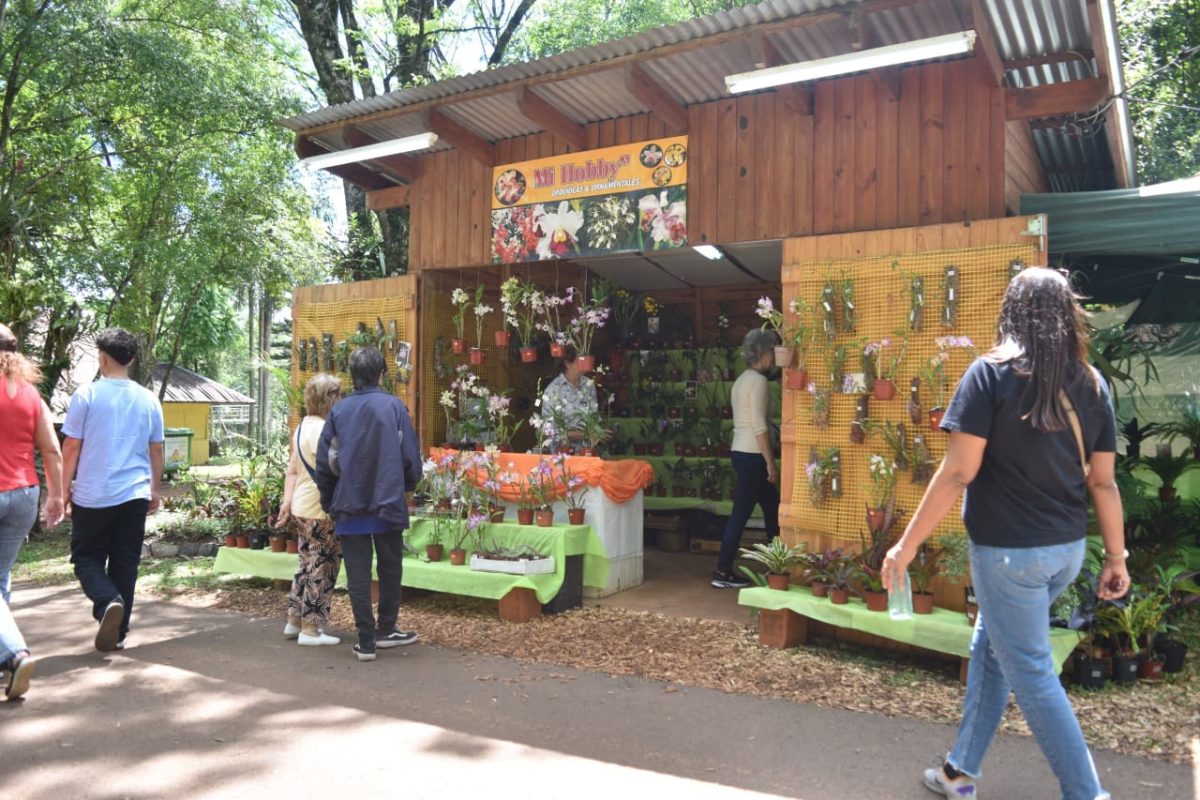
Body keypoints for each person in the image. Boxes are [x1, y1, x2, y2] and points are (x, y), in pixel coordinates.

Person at [881, 268, 1128, 800]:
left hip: (1009, 556)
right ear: (1068, 316)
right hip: (1066, 551)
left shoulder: (989, 375)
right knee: (991, 648)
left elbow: (957, 473)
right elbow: (1103, 482)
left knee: (1032, 674)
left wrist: (906, 545)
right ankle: (958, 772)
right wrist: (1116, 557)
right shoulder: (1091, 383)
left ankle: (1087, 794)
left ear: (1010, 311)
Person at [315, 347, 422, 662]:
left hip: (350, 501)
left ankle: (366, 641)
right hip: (388, 500)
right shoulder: (394, 407)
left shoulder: (339, 411)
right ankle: (386, 629)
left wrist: (329, 498)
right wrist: (408, 487)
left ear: (352, 377)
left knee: (358, 573)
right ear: (382, 375)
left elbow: (327, 461)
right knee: (391, 568)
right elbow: (409, 456)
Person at [62, 328, 164, 653]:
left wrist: (62, 490)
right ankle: (118, 633)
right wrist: (155, 489)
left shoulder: (87, 395)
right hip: (134, 493)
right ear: (132, 359)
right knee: (125, 563)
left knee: (86, 557)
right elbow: (157, 450)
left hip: (93, 494)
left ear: (102, 357)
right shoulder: (149, 399)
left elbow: (71, 447)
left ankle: (107, 602)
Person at [0, 324, 64, 699]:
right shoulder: (31, 395)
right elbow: (52, 450)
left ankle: (15, 652)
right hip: (25, 492)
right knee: (1, 576)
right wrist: (55, 496)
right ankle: (4, 658)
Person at [276, 374, 342, 647]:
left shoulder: (302, 427)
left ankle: (294, 620)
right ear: (330, 399)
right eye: (338, 395)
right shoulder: (325, 432)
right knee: (322, 566)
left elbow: (291, 470)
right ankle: (311, 629)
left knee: (305, 563)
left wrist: (286, 503)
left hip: (301, 507)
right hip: (320, 509)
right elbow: (337, 469)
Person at [711, 329, 780, 589]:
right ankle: (723, 571)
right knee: (741, 513)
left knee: (771, 507)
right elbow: (760, 426)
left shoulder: (741, 380)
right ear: (762, 354)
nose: (773, 358)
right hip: (754, 453)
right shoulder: (759, 382)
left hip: (740, 450)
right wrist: (770, 462)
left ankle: (777, 565)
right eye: (772, 352)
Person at [538, 345, 602, 452]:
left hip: (588, 451)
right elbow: (549, 430)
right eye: (580, 360)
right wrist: (584, 434)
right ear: (568, 363)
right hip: (563, 454)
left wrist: (599, 431)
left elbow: (594, 416)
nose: (584, 364)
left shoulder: (589, 385)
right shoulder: (553, 389)